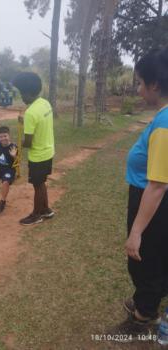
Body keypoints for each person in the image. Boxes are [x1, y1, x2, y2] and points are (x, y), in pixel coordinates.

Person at [116, 47, 168, 337]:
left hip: (151, 200)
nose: (138, 89)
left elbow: (158, 184)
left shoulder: (164, 123)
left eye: (140, 83)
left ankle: (144, 314)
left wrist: (136, 230)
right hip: (156, 201)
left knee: (143, 258)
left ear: (155, 85)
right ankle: (147, 300)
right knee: (158, 255)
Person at [13, 72, 55, 226]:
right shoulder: (45, 103)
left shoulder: (30, 113)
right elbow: (40, 119)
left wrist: (17, 145)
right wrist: (25, 120)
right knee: (41, 183)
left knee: (38, 185)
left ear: (28, 93)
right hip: (48, 151)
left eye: (22, 93)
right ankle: (45, 210)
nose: (21, 97)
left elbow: (29, 143)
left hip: (37, 156)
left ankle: (36, 214)